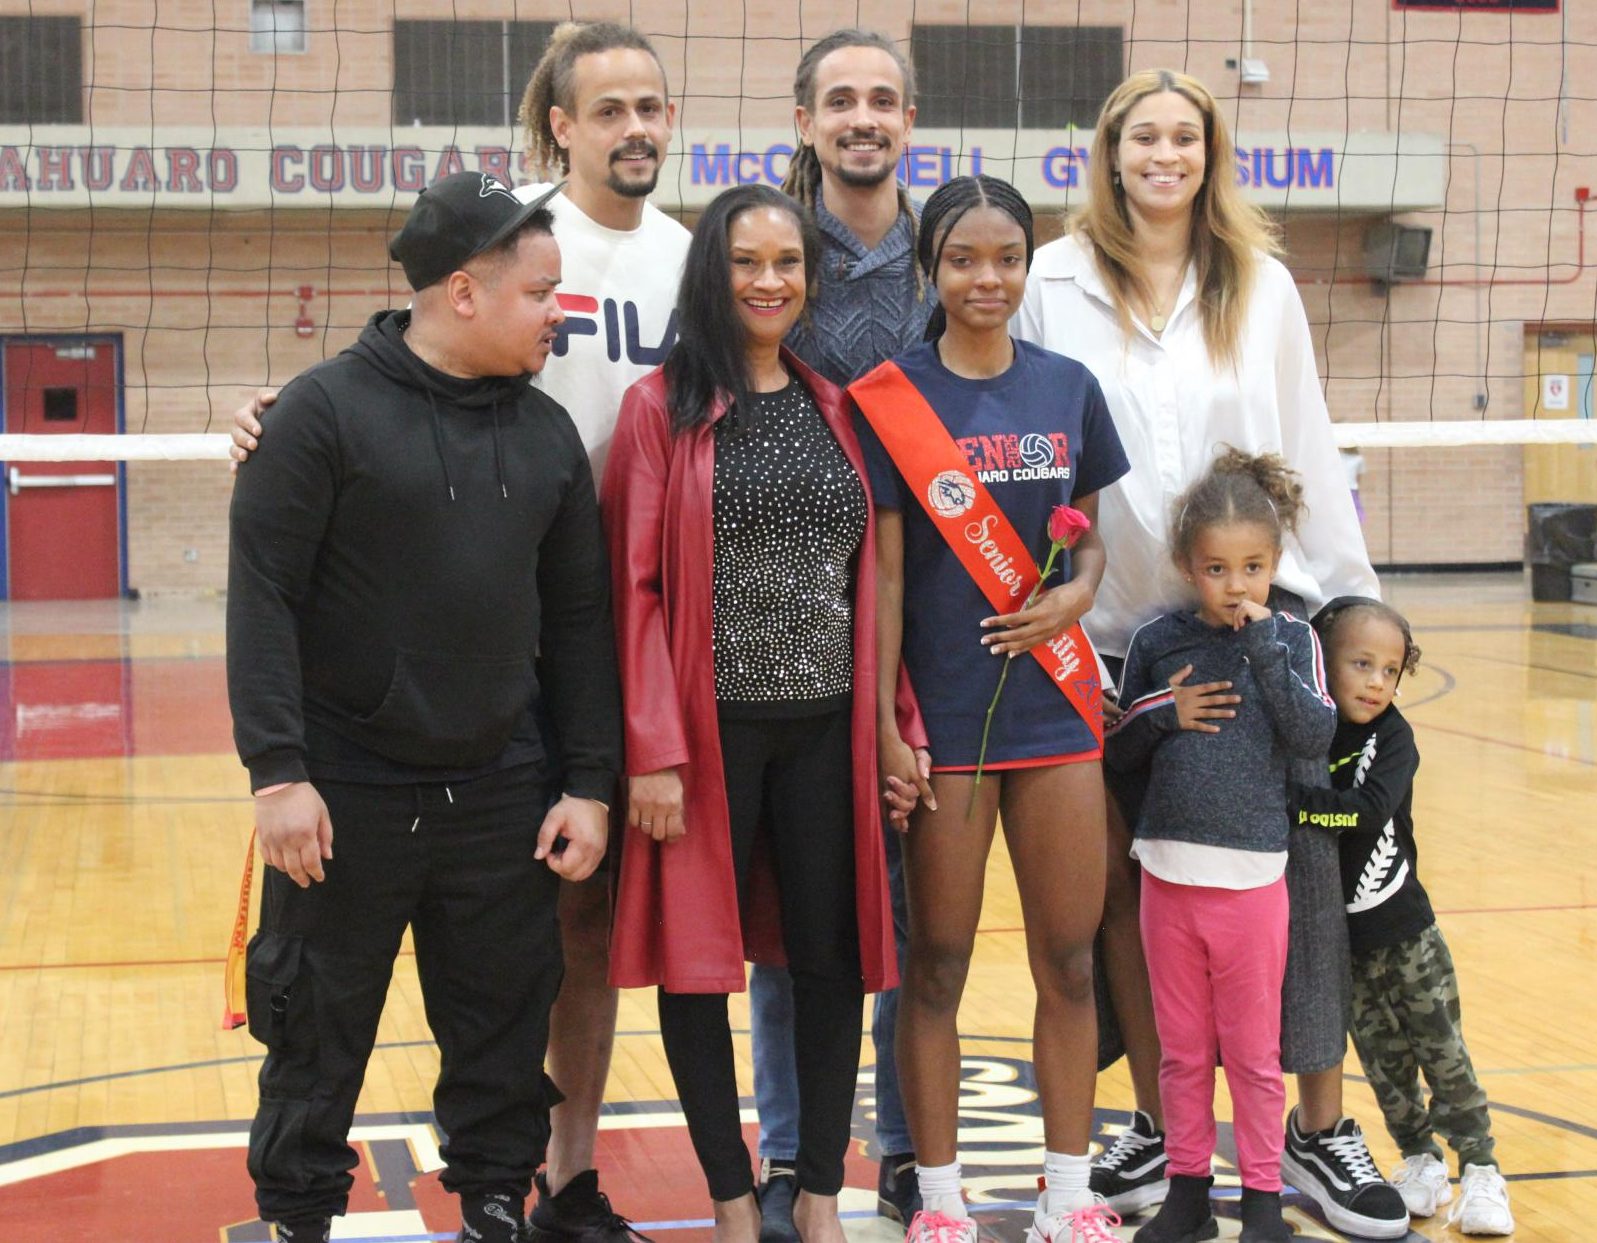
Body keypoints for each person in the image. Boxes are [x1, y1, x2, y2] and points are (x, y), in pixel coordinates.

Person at [230, 25, 690, 1240]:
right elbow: (260, 600)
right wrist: (278, 772)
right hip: (347, 791)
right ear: (463, 292)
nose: (559, 318)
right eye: (543, 297)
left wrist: (588, 781)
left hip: (502, 787)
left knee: (498, 1033)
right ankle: (295, 1216)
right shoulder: (319, 418)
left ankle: (498, 1204)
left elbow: (583, 631)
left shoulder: (541, 436)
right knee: (316, 1030)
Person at [1014, 68, 1407, 1239]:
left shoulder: (1263, 284)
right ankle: (1168, 1131)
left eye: (1187, 135)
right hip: (1109, 641)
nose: (1166, 154)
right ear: (1109, 149)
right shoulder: (1050, 280)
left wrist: (1353, 612)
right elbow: (1036, 452)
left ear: (1208, 151)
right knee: (1138, 902)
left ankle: (1317, 1131)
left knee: (1299, 886)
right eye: (1145, 134)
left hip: (1255, 630)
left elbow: (1310, 447)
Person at [602, 183, 898, 1243]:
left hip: (825, 726)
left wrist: (889, 724)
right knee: (697, 968)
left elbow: (872, 580)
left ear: (811, 280)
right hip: (706, 734)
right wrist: (650, 751)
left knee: (829, 960)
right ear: (711, 276)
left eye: (787, 262)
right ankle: (732, 1203)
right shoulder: (658, 408)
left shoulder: (837, 405)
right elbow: (630, 591)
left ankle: (816, 1195)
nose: (768, 279)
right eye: (745, 260)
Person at [854, 174, 1129, 1243]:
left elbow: (1088, 530)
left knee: (1069, 958)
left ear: (1027, 263)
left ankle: (1069, 1194)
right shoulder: (890, 396)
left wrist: (1082, 585)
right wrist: (882, 723)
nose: (986, 278)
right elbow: (879, 578)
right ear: (932, 266)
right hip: (948, 723)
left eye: (1005, 258)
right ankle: (937, 1201)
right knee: (938, 965)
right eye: (963, 258)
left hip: (1057, 711)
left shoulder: (1067, 387)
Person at [750, 28, 933, 1237]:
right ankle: (791, 1151)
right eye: (839, 101)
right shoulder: (767, 255)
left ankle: (915, 1147)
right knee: (791, 910)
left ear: (908, 121)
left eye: (882, 100)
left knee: (920, 909)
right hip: (800, 617)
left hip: (951, 610)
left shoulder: (957, 251)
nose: (861, 117)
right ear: (805, 120)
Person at [1107, 450, 1337, 1243]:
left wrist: (1267, 648)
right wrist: (1161, 711)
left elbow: (1313, 731)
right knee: (1179, 1051)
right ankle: (1186, 1189)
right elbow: (1118, 752)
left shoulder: (1294, 637)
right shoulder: (1157, 642)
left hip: (1250, 884)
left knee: (1250, 1051)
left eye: (1251, 567)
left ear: (1275, 564)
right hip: (1167, 878)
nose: (1234, 585)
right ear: (1185, 565)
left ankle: (1264, 1198)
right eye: (1214, 568)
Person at [1294, 599, 1515, 1236]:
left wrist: (1296, 805)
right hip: (1348, 944)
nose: (1375, 682)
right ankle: (1420, 1158)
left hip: (1408, 936)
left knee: (1441, 1052)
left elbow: (1365, 810)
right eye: (1360, 664)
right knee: (1385, 1064)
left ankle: (1480, 1167)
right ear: (1321, 661)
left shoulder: (1394, 738)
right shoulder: (1311, 734)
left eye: (1389, 671)